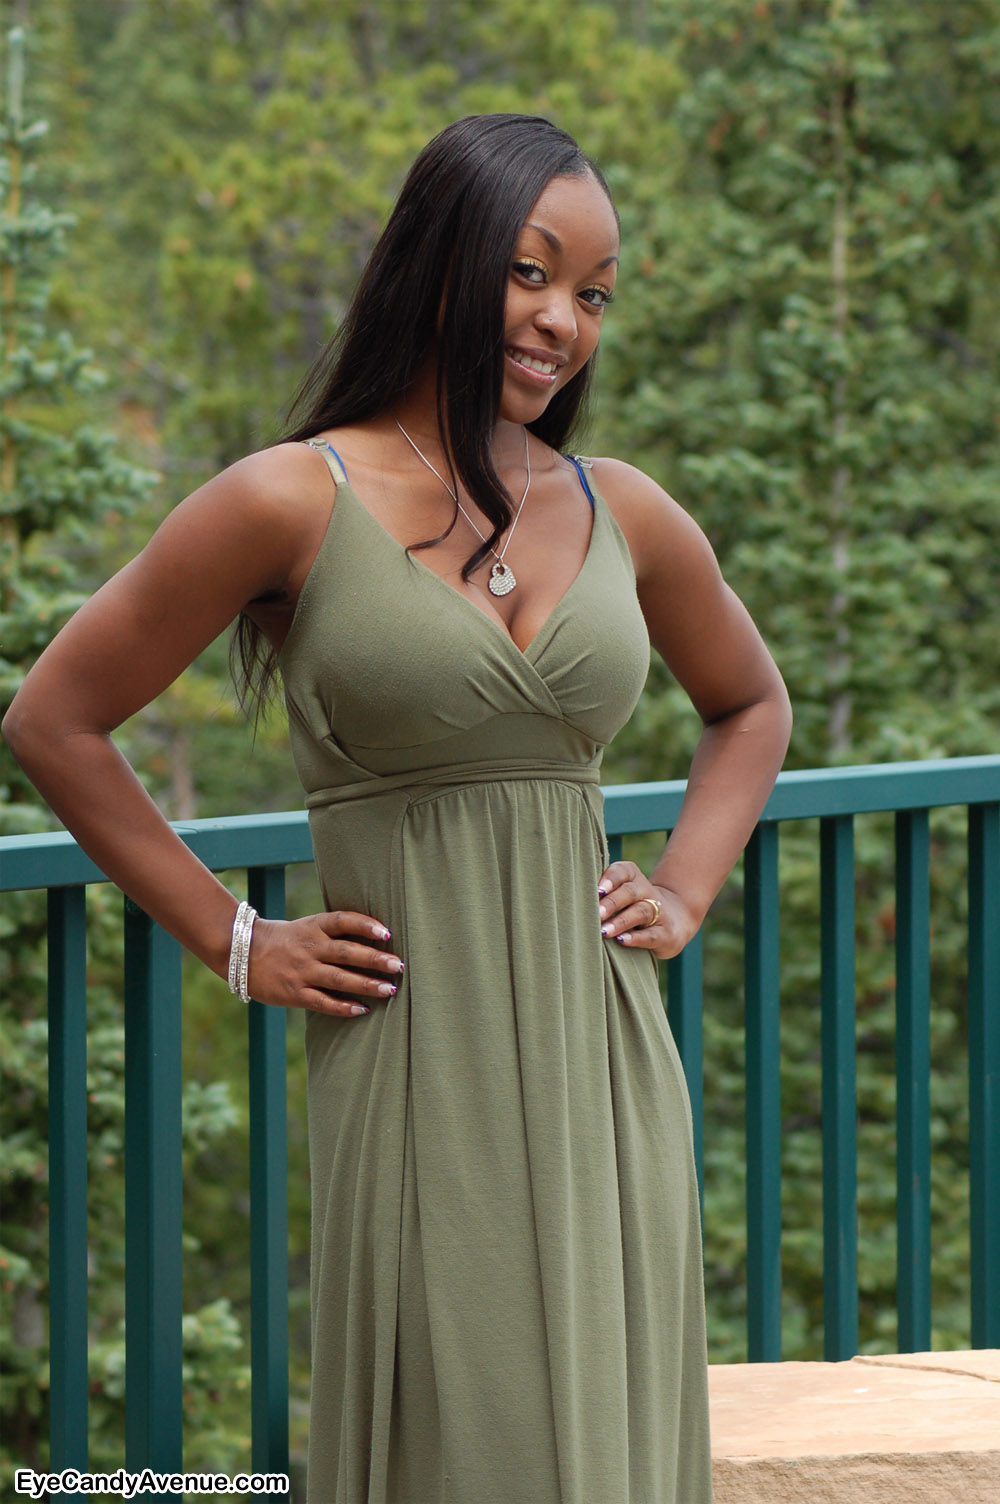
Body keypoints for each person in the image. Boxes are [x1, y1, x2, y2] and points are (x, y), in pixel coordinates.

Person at [4, 114, 792, 1503]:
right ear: (439, 262)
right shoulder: (287, 499)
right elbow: (54, 721)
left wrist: (682, 889)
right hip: (417, 1051)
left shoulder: (623, 508)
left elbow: (752, 704)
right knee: (464, 1436)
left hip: (604, 1051)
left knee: (613, 1432)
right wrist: (238, 941)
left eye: (594, 294)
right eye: (530, 273)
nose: (562, 321)